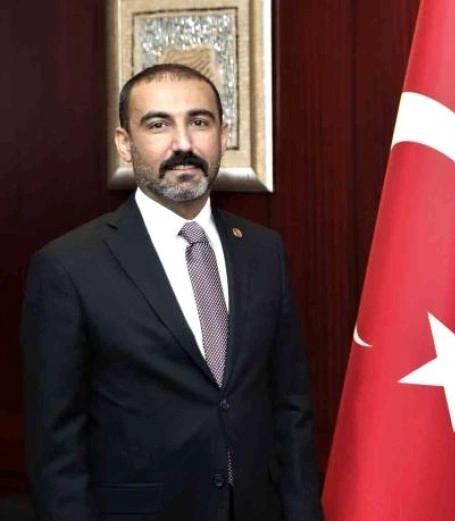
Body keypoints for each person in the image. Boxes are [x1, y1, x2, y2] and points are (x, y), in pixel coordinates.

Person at [21, 63, 324, 521]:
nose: (183, 144)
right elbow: (55, 447)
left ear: (223, 135)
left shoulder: (263, 250)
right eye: (158, 125)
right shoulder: (68, 267)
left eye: (199, 122)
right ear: (125, 143)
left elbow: (291, 409)